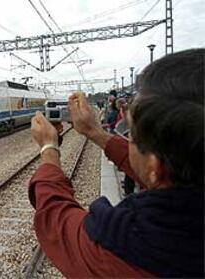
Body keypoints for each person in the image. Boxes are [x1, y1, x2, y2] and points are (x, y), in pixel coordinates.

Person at [29, 49, 204, 277]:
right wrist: (95, 132)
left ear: (154, 168)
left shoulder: (126, 249)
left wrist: (48, 147)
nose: (128, 138)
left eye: (131, 132)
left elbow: (55, 218)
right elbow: (172, 170)